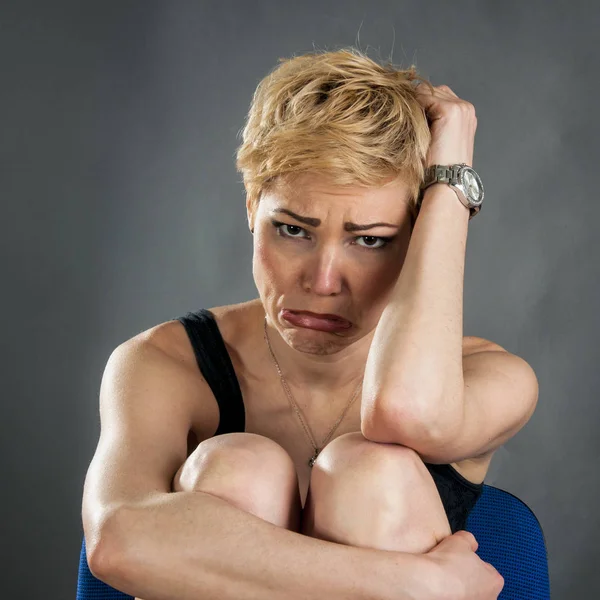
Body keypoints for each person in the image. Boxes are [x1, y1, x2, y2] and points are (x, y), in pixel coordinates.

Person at [81, 47, 526, 599]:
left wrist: (450, 186)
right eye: (294, 229)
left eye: (371, 240)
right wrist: (417, 585)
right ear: (251, 208)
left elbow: (407, 414)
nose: (323, 281)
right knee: (237, 467)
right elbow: (120, 541)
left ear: (418, 240)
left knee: (370, 474)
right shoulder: (168, 363)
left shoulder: (487, 376)